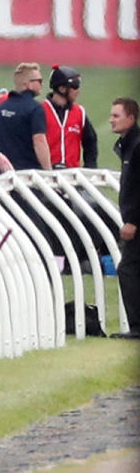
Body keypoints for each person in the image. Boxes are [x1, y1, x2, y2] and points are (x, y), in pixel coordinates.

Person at [110, 97, 140, 339]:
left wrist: (133, 220)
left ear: (131, 118)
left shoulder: (137, 146)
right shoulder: (128, 145)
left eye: (116, 116)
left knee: (128, 269)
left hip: (136, 224)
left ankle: (137, 327)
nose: (111, 120)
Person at [0, 62, 51, 170]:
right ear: (28, 84)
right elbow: (39, 141)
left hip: (5, 175)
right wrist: (48, 171)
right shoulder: (35, 108)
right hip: (29, 175)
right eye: (39, 81)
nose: (42, 84)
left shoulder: (0, 108)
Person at [42, 65, 97, 169]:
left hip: (72, 176)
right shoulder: (40, 111)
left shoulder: (80, 112)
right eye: (75, 86)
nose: (78, 90)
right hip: (46, 175)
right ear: (62, 89)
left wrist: (90, 167)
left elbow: (91, 142)